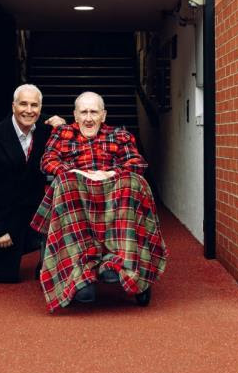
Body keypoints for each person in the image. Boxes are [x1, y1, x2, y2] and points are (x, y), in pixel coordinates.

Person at [33, 91, 166, 310]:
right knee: (66, 183)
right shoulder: (62, 134)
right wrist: (77, 173)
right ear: (75, 115)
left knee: (133, 183)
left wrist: (110, 174)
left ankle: (116, 262)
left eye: (93, 112)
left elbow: (137, 162)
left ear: (103, 115)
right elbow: (48, 161)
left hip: (113, 193)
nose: (88, 118)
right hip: (76, 193)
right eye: (83, 112)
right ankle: (79, 273)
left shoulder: (120, 135)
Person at [0, 85, 65, 282]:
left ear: (40, 108)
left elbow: (76, 142)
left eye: (34, 105)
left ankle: (33, 246)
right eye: (23, 104)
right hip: (2, 214)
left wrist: (64, 125)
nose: (29, 110)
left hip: (31, 210)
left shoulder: (47, 130)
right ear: (13, 106)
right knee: (4, 277)